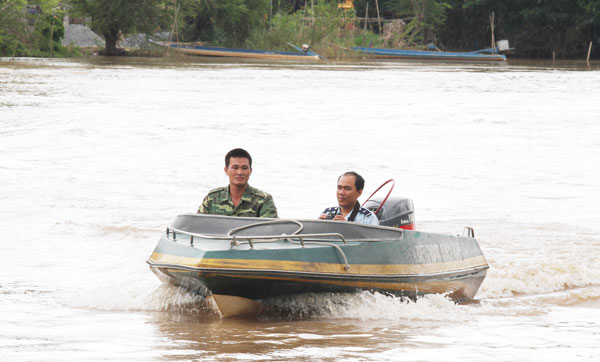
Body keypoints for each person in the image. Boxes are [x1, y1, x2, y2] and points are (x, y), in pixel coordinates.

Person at [197, 148, 278, 218]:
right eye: (235, 168)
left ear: (250, 171)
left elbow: (269, 230)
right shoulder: (212, 198)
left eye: (244, 168)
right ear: (226, 170)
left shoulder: (263, 200)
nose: (240, 172)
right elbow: (197, 225)